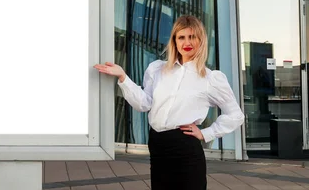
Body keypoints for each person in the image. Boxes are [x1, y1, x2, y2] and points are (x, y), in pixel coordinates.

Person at [94, 15, 244, 190]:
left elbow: (236, 115)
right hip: (158, 144)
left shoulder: (211, 78)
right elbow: (144, 104)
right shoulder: (157, 69)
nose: (187, 42)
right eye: (181, 37)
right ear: (174, 41)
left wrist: (206, 133)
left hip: (185, 146)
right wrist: (122, 77)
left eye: (192, 37)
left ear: (201, 40)